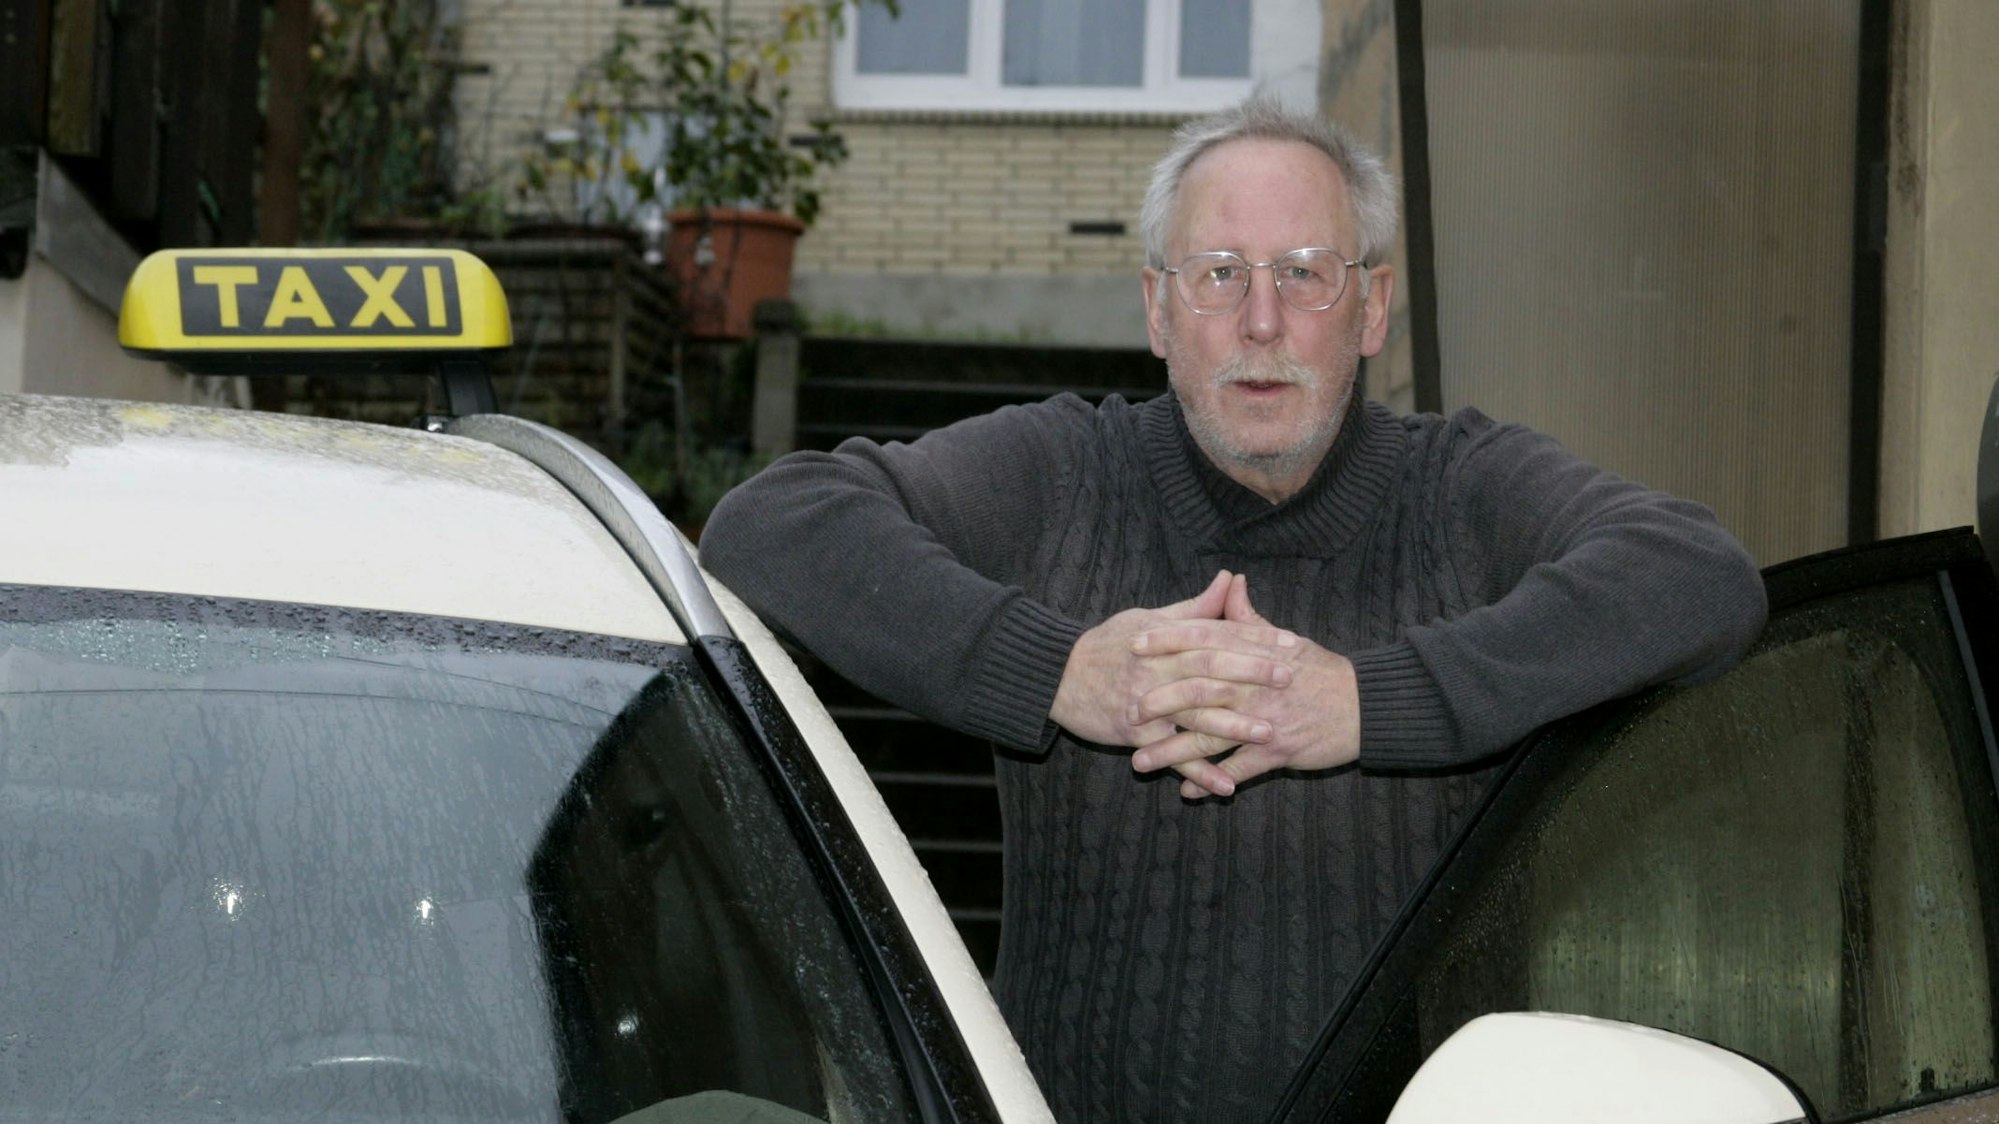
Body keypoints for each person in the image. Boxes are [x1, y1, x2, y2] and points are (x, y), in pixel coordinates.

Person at [700, 96, 1766, 1123]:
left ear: (1373, 308)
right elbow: (771, 525)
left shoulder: (1464, 489)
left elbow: (1696, 574)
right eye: (1219, 276)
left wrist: (1367, 701)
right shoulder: (1062, 470)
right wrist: (1061, 671)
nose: (1263, 321)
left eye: (1305, 274)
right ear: (1159, 310)